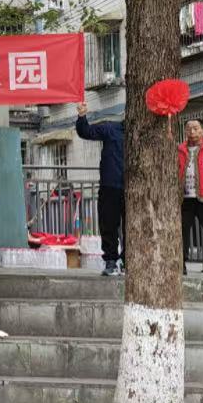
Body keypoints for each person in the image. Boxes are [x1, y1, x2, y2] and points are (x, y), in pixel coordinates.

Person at [76, 102, 125, 276]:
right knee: (108, 225)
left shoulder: (145, 134)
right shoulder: (111, 128)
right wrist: (82, 116)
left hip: (135, 189)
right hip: (110, 186)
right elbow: (86, 132)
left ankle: (128, 260)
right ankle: (111, 261)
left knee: (133, 226)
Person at [179, 118, 203, 276]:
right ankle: (180, 264)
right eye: (189, 128)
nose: (192, 131)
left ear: (202, 130)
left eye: (195, 128)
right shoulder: (180, 150)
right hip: (185, 199)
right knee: (182, 232)